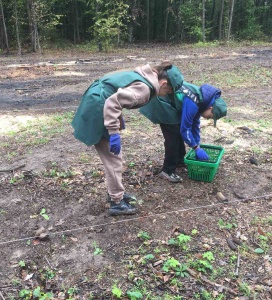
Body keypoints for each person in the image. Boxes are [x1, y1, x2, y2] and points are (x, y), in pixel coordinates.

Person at [71, 62, 184, 216]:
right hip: (99, 107)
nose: (167, 95)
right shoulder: (144, 89)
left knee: (114, 158)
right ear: (164, 83)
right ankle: (116, 202)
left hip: (101, 103)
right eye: (169, 91)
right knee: (113, 159)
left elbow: (116, 94)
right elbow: (113, 102)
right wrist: (113, 132)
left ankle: (114, 193)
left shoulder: (146, 75)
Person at [140, 82, 227, 182]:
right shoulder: (194, 102)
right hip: (160, 102)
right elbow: (185, 129)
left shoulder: (202, 101)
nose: (208, 119)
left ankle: (179, 160)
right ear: (210, 108)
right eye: (211, 116)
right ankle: (167, 171)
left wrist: (197, 144)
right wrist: (196, 148)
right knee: (173, 136)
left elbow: (194, 123)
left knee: (178, 130)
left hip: (170, 103)